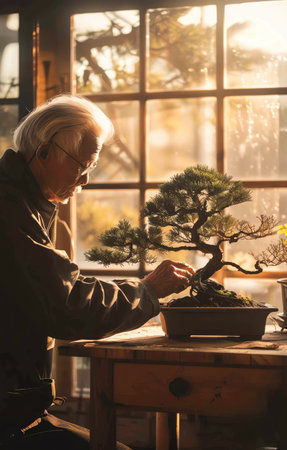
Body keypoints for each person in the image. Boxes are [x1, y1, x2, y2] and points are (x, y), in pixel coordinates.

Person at [0, 94, 195, 449]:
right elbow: (67, 303)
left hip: (21, 411)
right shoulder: (9, 210)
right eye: (83, 165)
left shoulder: (31, 203)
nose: (86, 180)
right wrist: (147, 292)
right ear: (45, 151)